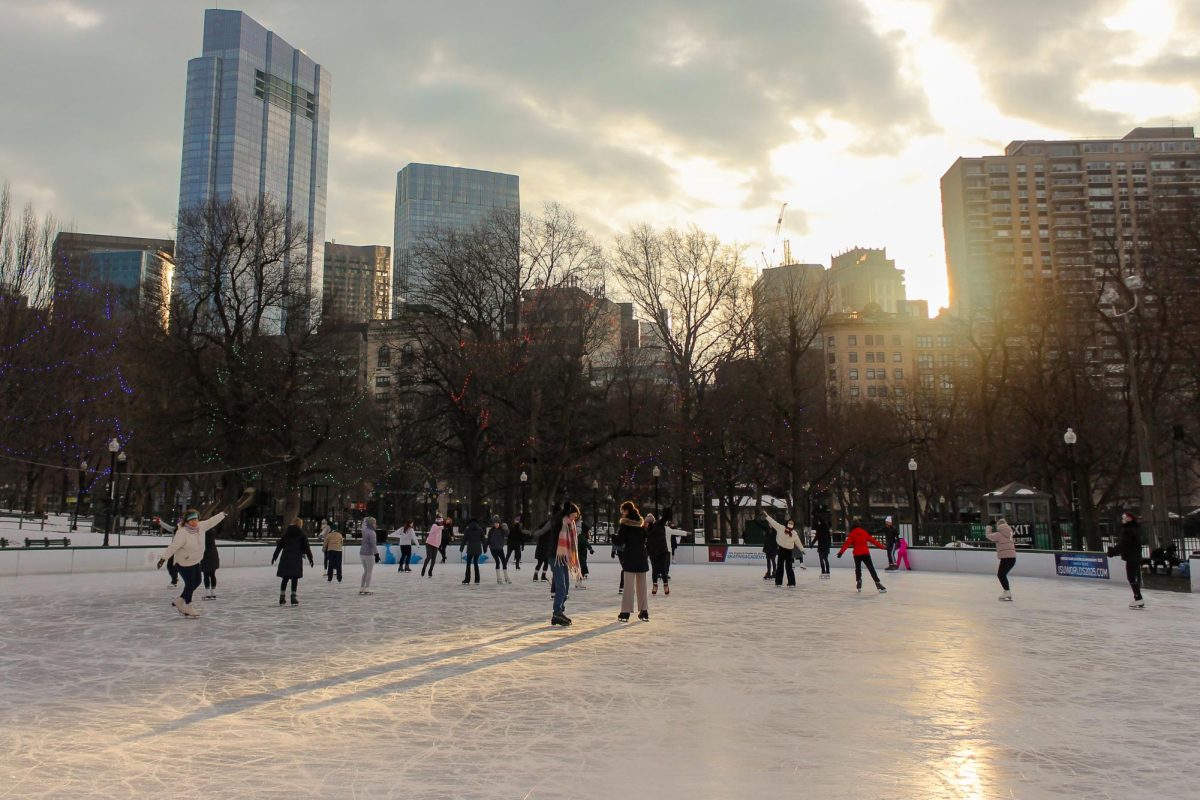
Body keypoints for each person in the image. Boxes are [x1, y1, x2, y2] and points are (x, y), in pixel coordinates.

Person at [157, 508, 226, 618]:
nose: (194, 522)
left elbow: (212, 521)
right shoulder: (182, 533)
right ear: (187, 521)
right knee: (190, 584)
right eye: (191, 520)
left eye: (196, 519)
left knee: (197, 581)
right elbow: (173, 547)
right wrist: (163, 559)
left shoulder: (201, 526)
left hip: (195, 560)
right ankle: (188, 606)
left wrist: (222, 513)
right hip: (183, 562)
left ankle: (179, 600)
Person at [616, 501, 651, 621]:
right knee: (642, 586)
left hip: (630, 558)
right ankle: (644, 611)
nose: (622, 514)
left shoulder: (625, 525)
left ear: (626, 511)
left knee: (628, 587)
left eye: (623, 511)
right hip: (641, 557)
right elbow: (645, 538)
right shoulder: (641, 524)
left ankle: (625, 613)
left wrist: (613, 537)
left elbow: (620, 541)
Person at [550, 503, 582, 626]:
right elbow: (555, 520)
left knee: (566, 585)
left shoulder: (570, 524)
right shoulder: (559, 522)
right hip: (555, 556)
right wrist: (566, 509)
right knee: (561, 586)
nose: (575, 518)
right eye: (574, 515)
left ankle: (560, 611)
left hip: (563, 558)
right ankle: (556, 612)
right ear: (568, 513)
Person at [271, 517, 313, 606]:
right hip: (296, 559)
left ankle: (282, 597)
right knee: (294, 578)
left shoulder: (286, 533)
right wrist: (310, 558)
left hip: (286, 558)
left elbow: (280, 545)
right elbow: (306, 548)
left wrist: (275, 556)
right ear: (300, 524)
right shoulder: (301, 534)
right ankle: (293, 597)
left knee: (285, 578)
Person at [1107, 511, 1145, 609]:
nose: (1123, 520)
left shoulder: (1128, 530)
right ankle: (1138, 598)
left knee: (1131, 577)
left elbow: (1125, 545)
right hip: (1135, 556)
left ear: (1130, 519)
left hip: (1132, 556)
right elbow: (1125, 543)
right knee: (1132, 577)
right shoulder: (1134, 529)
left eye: (1125, 518)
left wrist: (1113, 551)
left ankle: (1138, 598)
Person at [837, 519, 887, 593]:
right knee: (871, 568)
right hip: (865, 553)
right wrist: (882, 547)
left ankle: (859, 581)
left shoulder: (852, 534)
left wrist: (840, 552)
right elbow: (873, 541)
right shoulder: (864, 532)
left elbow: (846, 544)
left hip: (857, 554)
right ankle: (878, 583)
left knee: (858, 568)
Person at [764, 514, 802, 587]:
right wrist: (767, 516)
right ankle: (778, 582)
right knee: (780, 567)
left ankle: (791, 582)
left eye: (792, 523)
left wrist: (802, 549)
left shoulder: (794, 533)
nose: (790, 524)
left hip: (789, 551)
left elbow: (798, 542)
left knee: (789, 567)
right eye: (789, 523)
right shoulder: (781, 528)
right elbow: (773, 522)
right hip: (781, 550)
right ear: (787, 523)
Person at [648, 508, 679, 596]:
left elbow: (665, 518)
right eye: (647, 518)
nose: (649, 519)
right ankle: (655, 585)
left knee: (662, 569)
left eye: (650, 518)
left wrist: (668, 508)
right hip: (653, 552)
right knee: (654, 570)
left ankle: (666, 585)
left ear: (653, 519)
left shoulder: (659, 523)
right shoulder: (647, 529)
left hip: (662, 550)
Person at [984, 517, 1016, 600]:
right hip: (1012, 558)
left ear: (999, 526)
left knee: (1001, 575)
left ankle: (1007, 592)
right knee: (1002, 575)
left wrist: (989, 526)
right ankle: (1007, 592)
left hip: (1006, 558)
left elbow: (988, 536)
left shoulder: (999, 534)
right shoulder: (1009, 533)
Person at [460, 517, 485, 585]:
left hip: (470, 548)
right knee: (476, 563)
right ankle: (477, 580)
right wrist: (485, 548)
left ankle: (467, 579)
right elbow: (483, 539)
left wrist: (461, 548)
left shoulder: (467, 530)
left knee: (468, 564)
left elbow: (464, 539)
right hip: (477, 549)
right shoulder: (480, 529)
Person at [486, 515, 511, 584]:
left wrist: (506, 528)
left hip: (500, 548)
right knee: (497, 562)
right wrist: (486, 547)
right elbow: (488, 540)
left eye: (497, 523)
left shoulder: (502, 530)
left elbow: (507, 534)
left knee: (504, 562)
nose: (496, 524)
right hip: (493, 549)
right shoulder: (491, 531)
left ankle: (506, 577)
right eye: (495, 523)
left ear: (499, 523)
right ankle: (498, 578)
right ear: (493, 523)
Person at [200, 520, 220, 600]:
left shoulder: (203, 533)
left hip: (205, 555)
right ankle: (213, 592)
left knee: (206, 575)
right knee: (212, 574)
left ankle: (207, 593)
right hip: (214, 554)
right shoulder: (212, 531)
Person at [359, 516, 380, 595]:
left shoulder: (364, 530)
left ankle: (362, 587)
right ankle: (367, 588)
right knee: (369, 572)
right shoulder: (372, 532)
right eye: (374, 523)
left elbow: (363, 523)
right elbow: (373, 545)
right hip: (369, 554)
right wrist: (377, 554)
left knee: (365, 571)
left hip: (362, 553)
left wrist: (366, 519)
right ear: (371, 524)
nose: (375, 525)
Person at [533, 516, 556, 582]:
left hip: (542, 548)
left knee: (541, 562)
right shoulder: (549, 530)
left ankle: (537, 575)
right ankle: (541, 575)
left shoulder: (542, 530)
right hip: (546, 548)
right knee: (544, 563)